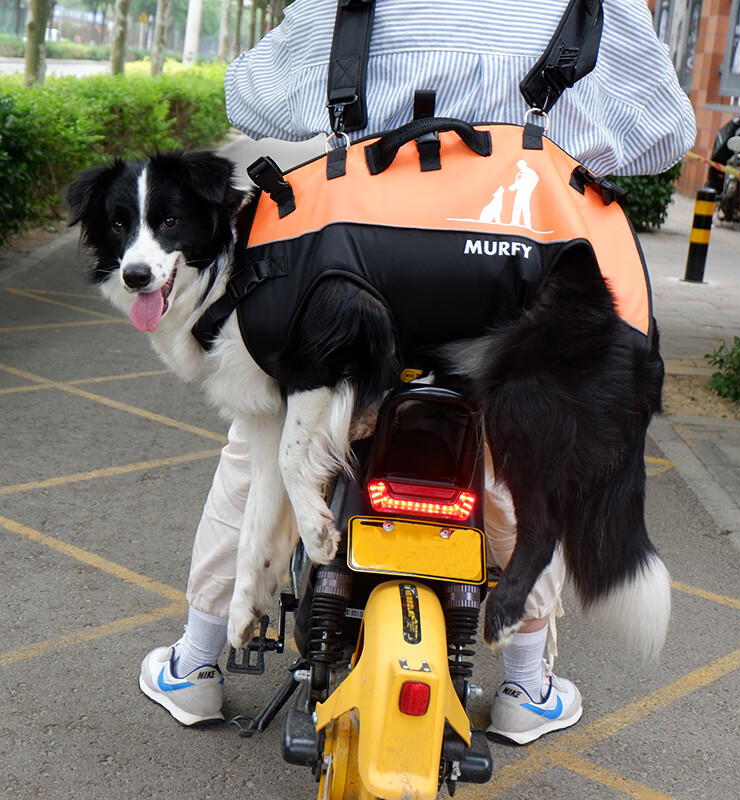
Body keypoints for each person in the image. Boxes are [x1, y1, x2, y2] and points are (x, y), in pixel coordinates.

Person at [139, 0, 696, 743]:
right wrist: (557, 139)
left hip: (359, 272)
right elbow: (666, 133)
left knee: (264, 436)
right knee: (515, 461)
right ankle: (527, 683)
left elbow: (250, 94)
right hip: (517, 275)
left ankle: (200, 661)